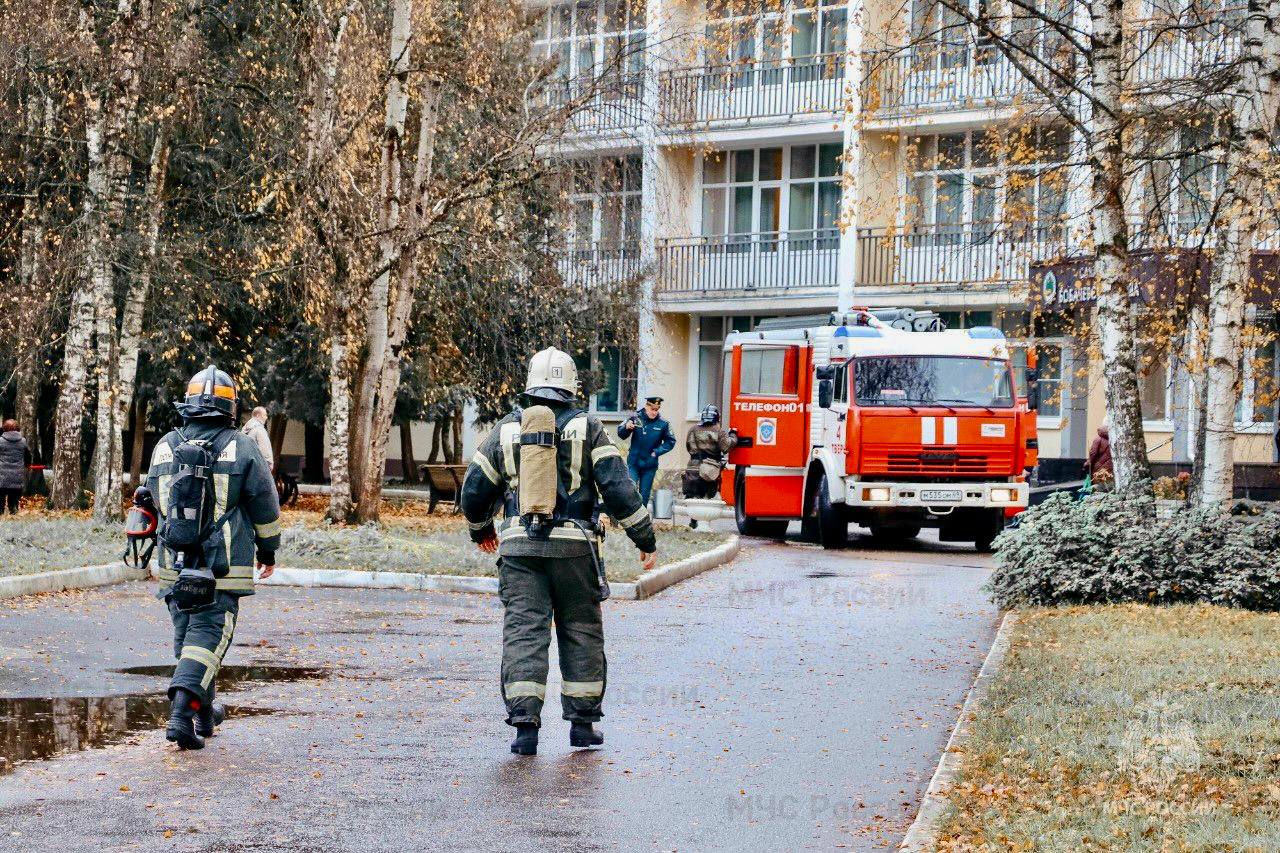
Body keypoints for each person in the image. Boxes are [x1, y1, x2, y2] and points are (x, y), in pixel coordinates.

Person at [461, 347, 657, 756]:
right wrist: (645, 540)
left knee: (524, 633)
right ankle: (583, 728)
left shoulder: (507, 429)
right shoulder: (589, 428)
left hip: (520, 552)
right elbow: (619, 488)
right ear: (571, 388)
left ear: (530, 386)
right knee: (581, 631)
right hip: (576, 552)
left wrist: (481, 529)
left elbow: (475, 489)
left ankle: (525, 730)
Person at [146, 366, 282, 750]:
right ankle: (181, 715)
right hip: (223, 568)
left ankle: (205, 712)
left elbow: (155, 495)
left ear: (188, 405)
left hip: (175, 563)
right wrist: (268, 550)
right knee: (208, 638)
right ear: (230, 408)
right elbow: (265, 505)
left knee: (188, 635)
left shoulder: (165, 445)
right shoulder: (242, 446)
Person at [617, 395, 675, 507]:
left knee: (644, 494)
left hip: (650, 464)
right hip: (634, 462)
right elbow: (621, 433)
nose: (654, 412)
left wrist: (657, 452)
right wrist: (626, 428)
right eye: (652, 409)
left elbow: (670, 441)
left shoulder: (663, 424)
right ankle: (629, 517)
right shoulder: (635, 418)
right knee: (630, 490)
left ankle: (641, 520)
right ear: (646, 407)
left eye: (656, 410)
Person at [682, 405, 737, 501]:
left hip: (692, 469)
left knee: (692, 502)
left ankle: (693, 517)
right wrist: (733, 435)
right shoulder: (718, 430)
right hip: (709, 471)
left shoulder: (692, 429)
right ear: (717, 417)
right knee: (706, 502)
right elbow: (726, 447)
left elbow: (688, 446)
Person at [0, 419, 30, 515]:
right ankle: (13, 510)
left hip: (2, 474)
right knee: (14, 495)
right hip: (17, 473)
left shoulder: (0, 441)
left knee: (1, 495)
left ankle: (1, 512)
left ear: (4, 428)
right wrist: (27, 465)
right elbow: (28, 456)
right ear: (17, 428)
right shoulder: (23, 441)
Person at [242, 406, 274, 471]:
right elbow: (265, 452)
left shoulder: (244, 431)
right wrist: (269, 466)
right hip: (258, 469)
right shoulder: (260, 430)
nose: (266, 417)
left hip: (245, 467)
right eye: (265, 415)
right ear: (258, 415)